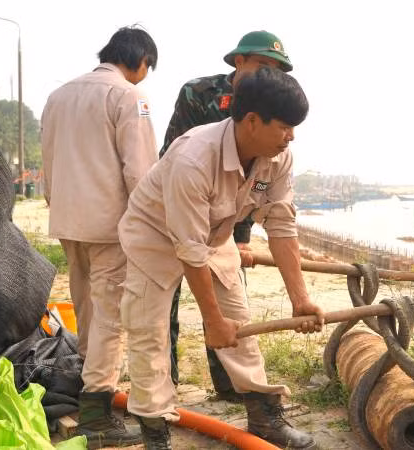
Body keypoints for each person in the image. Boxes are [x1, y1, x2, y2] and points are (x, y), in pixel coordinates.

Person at [118, 67, 322, 450]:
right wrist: (211, 323)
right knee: (149, 333)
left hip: (215, 234)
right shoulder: (194, 157)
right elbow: (188, 249)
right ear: (251, 121)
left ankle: (263, 415)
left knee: (237, 322)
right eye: (284, 126)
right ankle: (155, 431)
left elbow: (280, 225)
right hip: (154, 236)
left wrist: (300, 298)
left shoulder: (278, 157)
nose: (291, 136)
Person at [40, 26, 159, 447]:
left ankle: (88, 380)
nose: (144, 75)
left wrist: (57, 205)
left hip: (69, 221)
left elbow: (48, 161)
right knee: (110, 316)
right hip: (111, 226)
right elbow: (141, 172)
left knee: (86, 304)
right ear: (140, 59)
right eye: (147, 68)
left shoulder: (59, 96)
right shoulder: (130, 97)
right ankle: (96, 413)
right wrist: (149, 228)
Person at [161, 30, 293, 400]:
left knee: (230, 307)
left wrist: (242, 236)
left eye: (278, 70)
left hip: (226, 220)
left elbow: (259, 179)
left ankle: (231, 386)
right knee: (161, 308)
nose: (270, 75)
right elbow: (176, 159)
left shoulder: (276, 107)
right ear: (239, 62)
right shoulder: (198, 94)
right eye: (263, 66)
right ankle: (164, 387)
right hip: (181, 207)